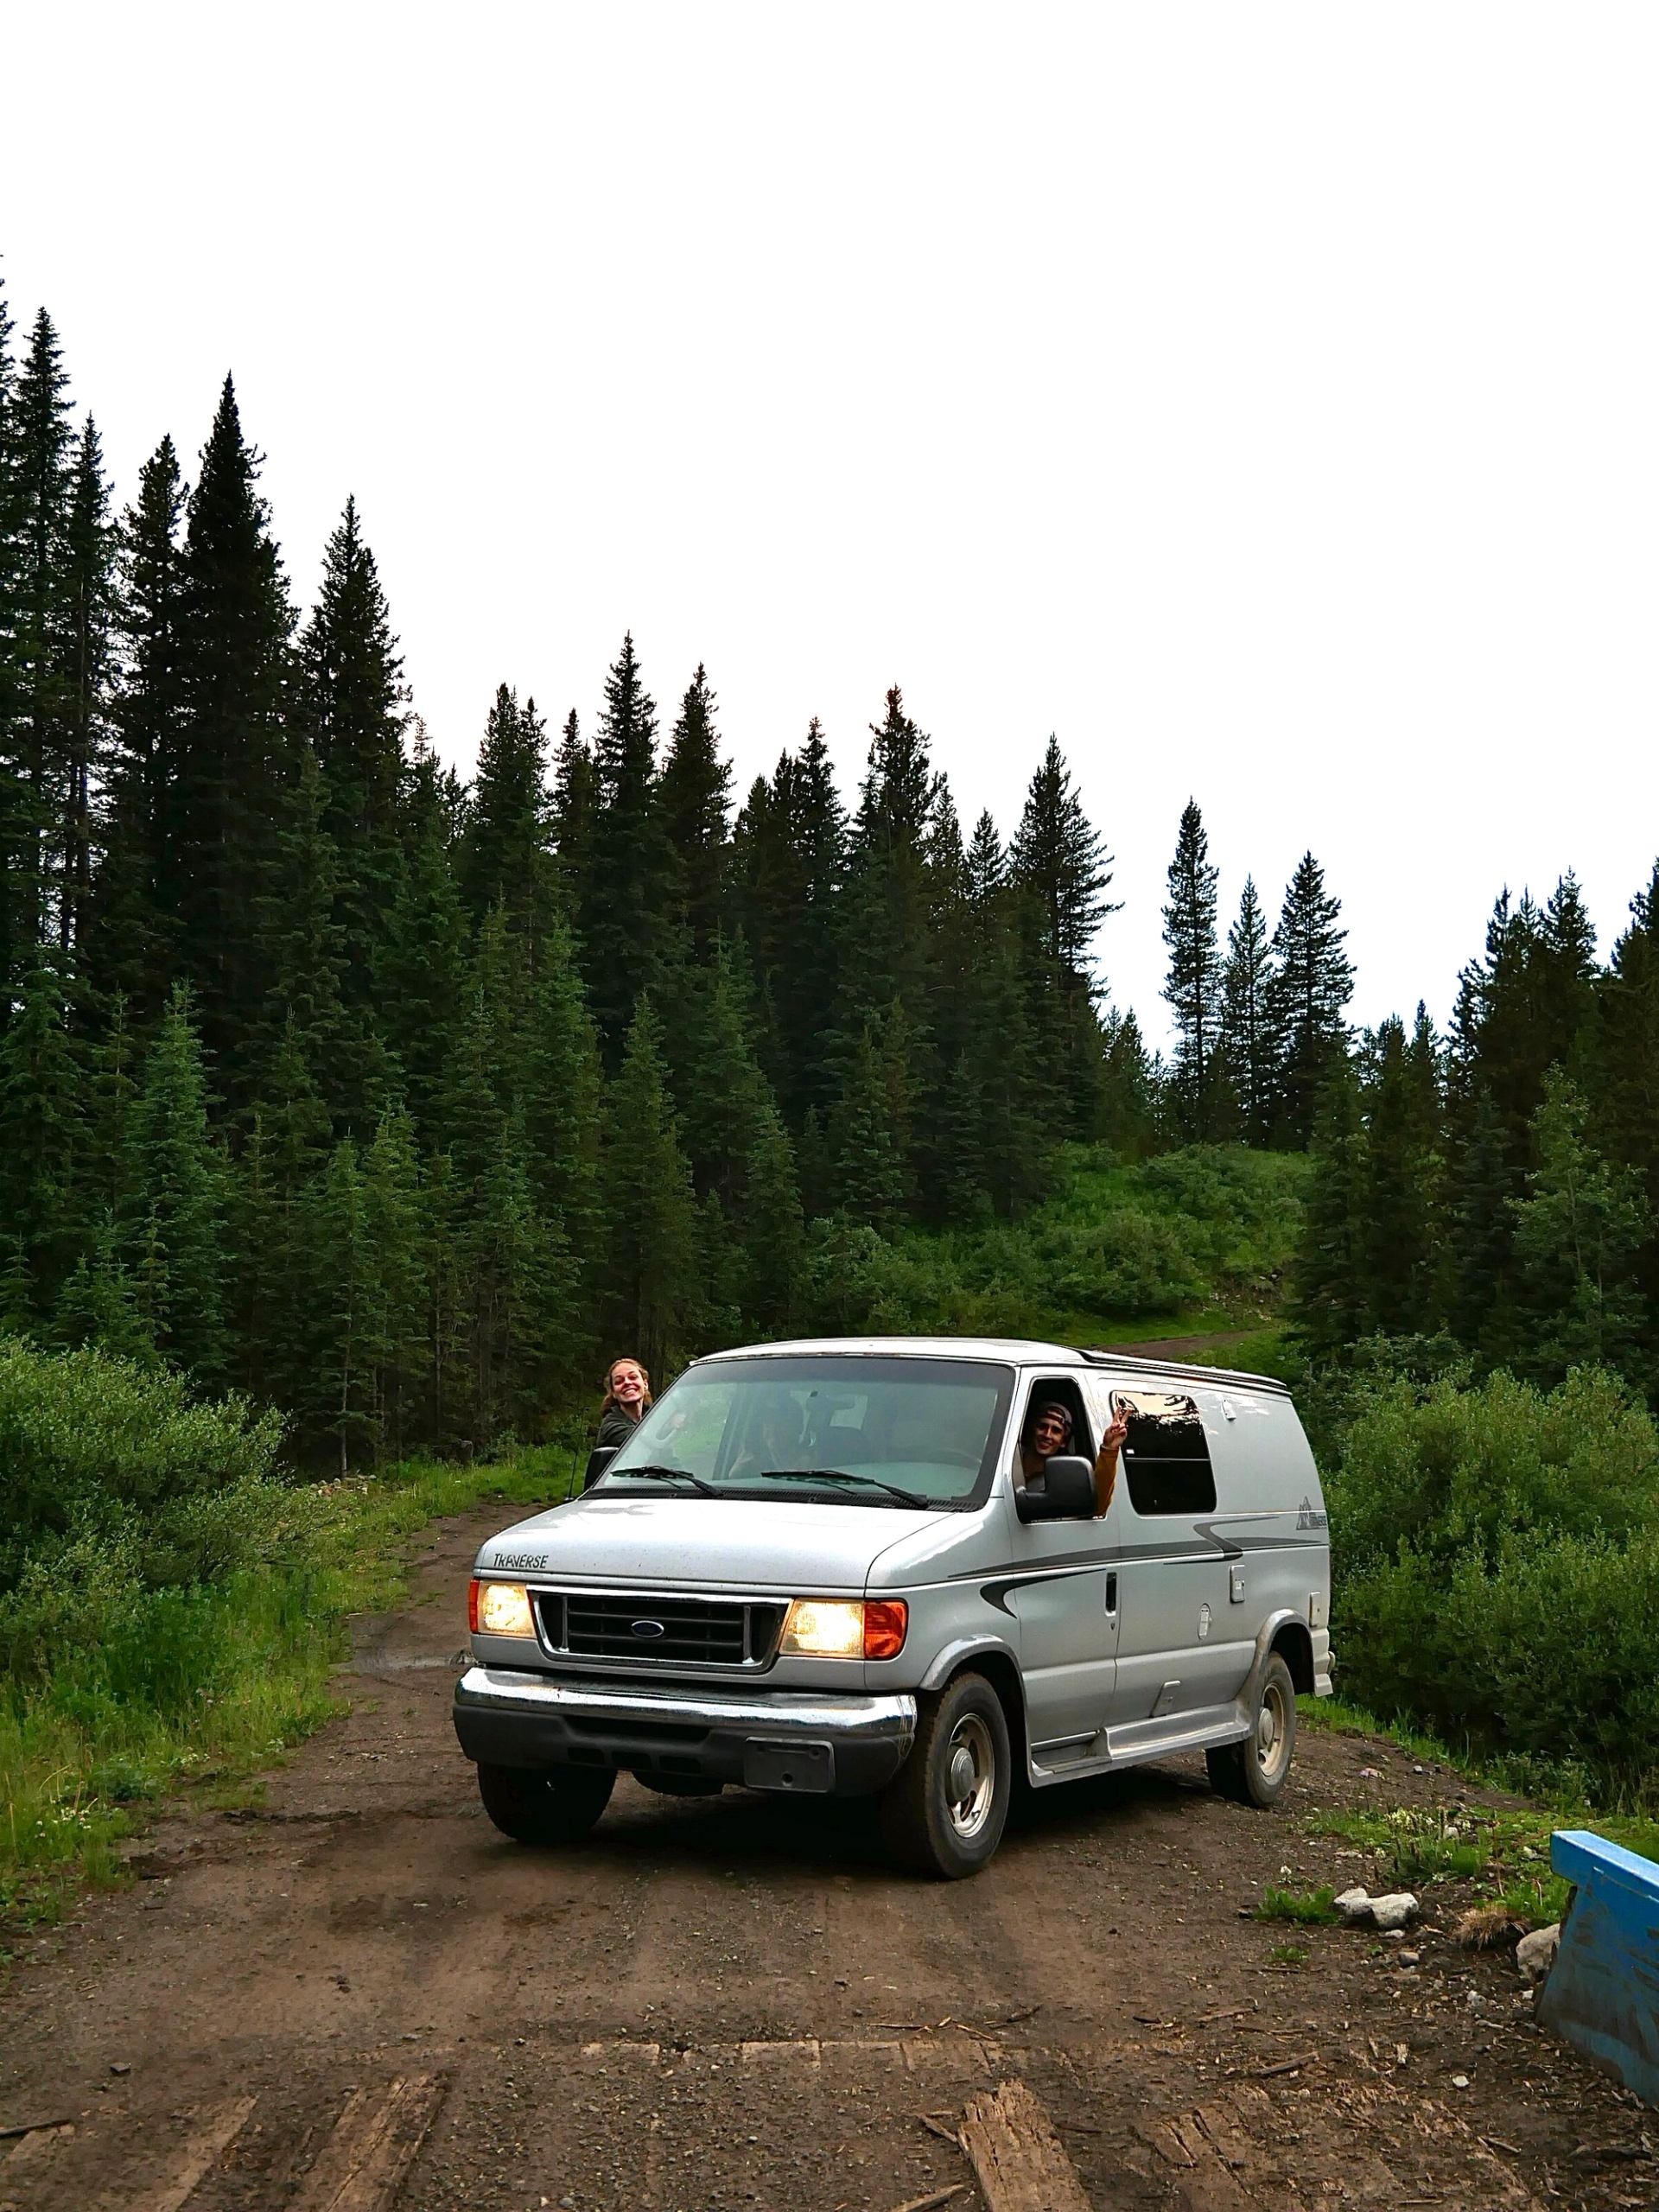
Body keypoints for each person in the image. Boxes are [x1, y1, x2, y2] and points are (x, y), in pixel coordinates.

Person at [1019, 1397, 1130, 1516]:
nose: (1047, 1435)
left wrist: (1109, 1450)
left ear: (1063, 1442)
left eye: (1056, 1431)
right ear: (1033, 1429)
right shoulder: (1005, 1459)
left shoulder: (1064, 1477)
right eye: (1042, 1427)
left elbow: (1097, 1507)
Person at [594, 1356, 652, 1452]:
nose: (627, 1383)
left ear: (645, 1384)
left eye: (633, 1377)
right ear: (613, 1393)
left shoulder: (652, 1416)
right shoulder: (610, 1427)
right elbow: (645, 1439)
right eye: (618, 1381)